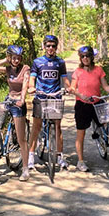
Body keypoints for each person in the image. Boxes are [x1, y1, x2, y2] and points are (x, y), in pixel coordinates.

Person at [70, 45, 109, 172]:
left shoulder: (98, 70)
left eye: (87, 56)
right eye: (82, 56)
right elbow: (72, 88)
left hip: (97, 102)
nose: (85, 59)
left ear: (91, 57)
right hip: (82, 104)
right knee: (81, 132)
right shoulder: (78, 72)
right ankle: (81, 161)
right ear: (80, 58)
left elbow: (105, 86)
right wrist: (80, 95)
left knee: (108, 123)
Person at [28, 34, 72, 170]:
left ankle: (60, 157)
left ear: (56, 47)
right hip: (41, 97)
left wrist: (68, 87)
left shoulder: (60, 62)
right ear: (44, 46)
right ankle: (30, 158)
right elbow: (32, 78)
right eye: (48, 45)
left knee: (58, 127)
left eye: (53, 46)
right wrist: (31, 87)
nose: (51, 48)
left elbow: (64, 79)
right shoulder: (37, 62)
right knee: (36, 126)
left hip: (55, 97)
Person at [0, 45, 31, 181]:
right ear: (10, 58)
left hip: (18, 104)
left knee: (21, 139)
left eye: (18, 58)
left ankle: (25, 169)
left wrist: (22, 99)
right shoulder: (7, 69)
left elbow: (25, 85)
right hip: (8, 100)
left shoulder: (25, 69)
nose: (16, 60)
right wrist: (5, 60)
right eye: (13, 58)